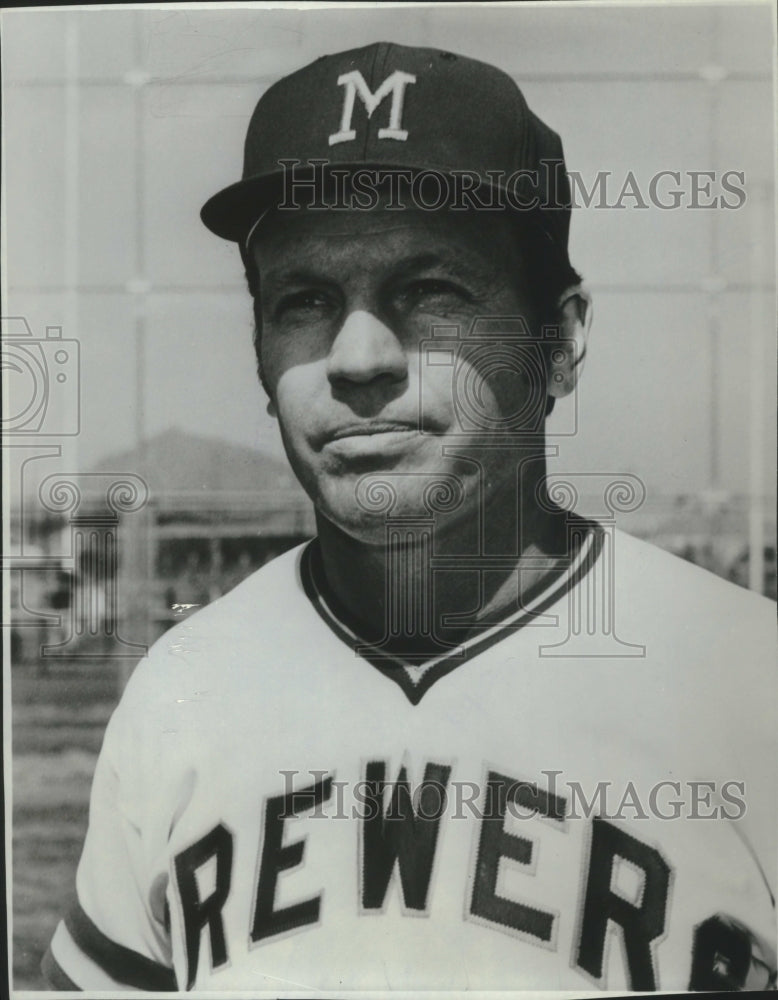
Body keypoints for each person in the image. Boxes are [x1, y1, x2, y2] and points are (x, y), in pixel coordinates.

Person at [43, 42, 776, 992]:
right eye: (305, 299)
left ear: (559, 341)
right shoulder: (181, 691)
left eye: (430, 291)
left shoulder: (747, 684)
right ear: (258, 348)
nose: (357, 357)